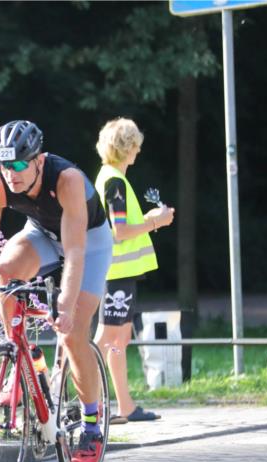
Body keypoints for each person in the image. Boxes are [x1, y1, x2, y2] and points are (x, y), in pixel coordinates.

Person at [0, 120, 113, 462]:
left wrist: (65, 305)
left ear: (39, 160)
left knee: (73, 334)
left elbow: (75, 252)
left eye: (20, 164)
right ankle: (20, 358)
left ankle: (91, 425)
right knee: (6, 272)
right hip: (42, 234)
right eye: (5, 165)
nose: (12, 173)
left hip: (88, 242)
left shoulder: (67, 180)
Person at [92, 118, 174, 423]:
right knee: (106, 339)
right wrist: (156, 221)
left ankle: (125, 406)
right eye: (136, 145)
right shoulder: (115, 182)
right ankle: (90, 407)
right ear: (128, 148)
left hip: (119, 273)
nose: (138, 151)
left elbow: (121, 226)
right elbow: (121, 231)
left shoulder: (110, 178)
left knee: (119, 339)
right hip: (116, 273)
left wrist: (150, 218)